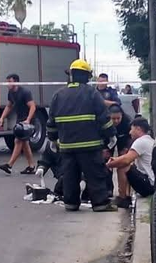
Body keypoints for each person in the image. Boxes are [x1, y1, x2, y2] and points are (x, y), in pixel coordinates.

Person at [47, 59, 116, 212]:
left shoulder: (58, 95)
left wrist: (52, 139)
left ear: (71, 75)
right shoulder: (92, 93)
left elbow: (51, 121)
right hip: (90, 146)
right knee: (94, 175)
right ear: (86, 76)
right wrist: (111, 135)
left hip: (67, 146)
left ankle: (70, 203)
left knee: (70, 176)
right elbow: (103, 118)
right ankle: (100, 204)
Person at [106, 116, 156, 199]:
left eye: (131, 129)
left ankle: (122, 198)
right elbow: (127, 157)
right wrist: (116, 159)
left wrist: (108, 165)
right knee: (128, 165)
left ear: (138, 129)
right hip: (151, 183)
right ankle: (127, 195)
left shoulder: (140, 141)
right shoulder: (149, 140)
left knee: (123, 166)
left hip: (149, 185)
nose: (130, 132)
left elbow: (126, 160)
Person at [0, 73, 37, 175]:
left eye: (9, 82)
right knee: (25, 144)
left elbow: (33, 107)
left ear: (16, 82)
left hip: (29, 120)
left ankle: (9, 165)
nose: (7, 84)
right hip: (20, 120)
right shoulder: (11, 93)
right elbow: (9, 106)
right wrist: (2, 118)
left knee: (18, 140)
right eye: (7, 82)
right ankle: (32, 166)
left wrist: (28, 120)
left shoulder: (25, 92)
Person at [107, 106, 133, 207]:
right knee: (107, 163)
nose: (116, 121)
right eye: (113, 119)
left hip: (123, 140)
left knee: (122, 164)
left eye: (118, 118)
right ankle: (108, 189)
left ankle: (124, 193)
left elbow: (131, 137)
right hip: (108, 140)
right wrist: (104, 149)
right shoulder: (104, 121)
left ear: (122, 116)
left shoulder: (127, 122)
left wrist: (127, 148)